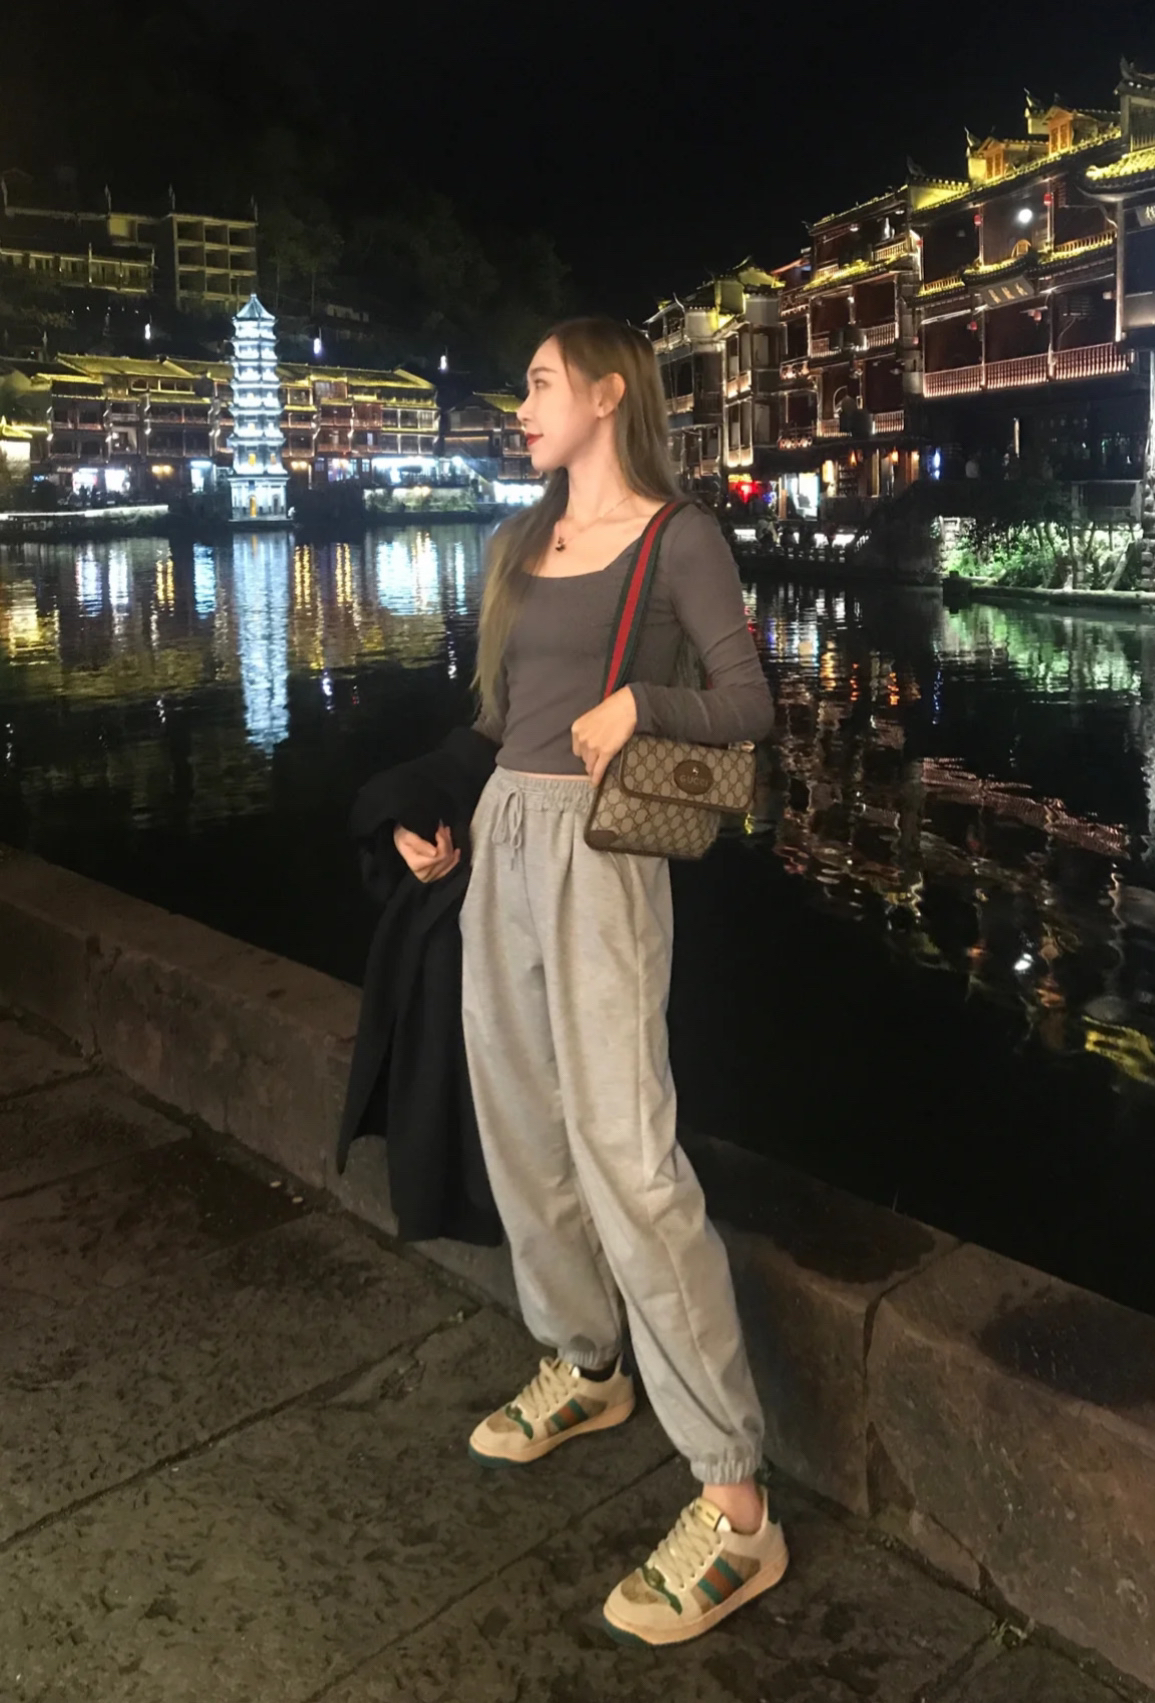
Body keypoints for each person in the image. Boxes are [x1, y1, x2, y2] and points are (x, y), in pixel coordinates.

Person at [393, 317, 787, 1647]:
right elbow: (497, 724)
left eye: (541, 384)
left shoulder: (678, 538)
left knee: (630, 1156)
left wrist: (641, 709)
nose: (521, 406)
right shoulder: (520, 543)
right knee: (522, 1123)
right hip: (503, 834)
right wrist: (435, 817)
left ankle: (736, 1503)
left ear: (609, 395)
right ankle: (585, 1360)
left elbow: (748, 703)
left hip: (605, 854)